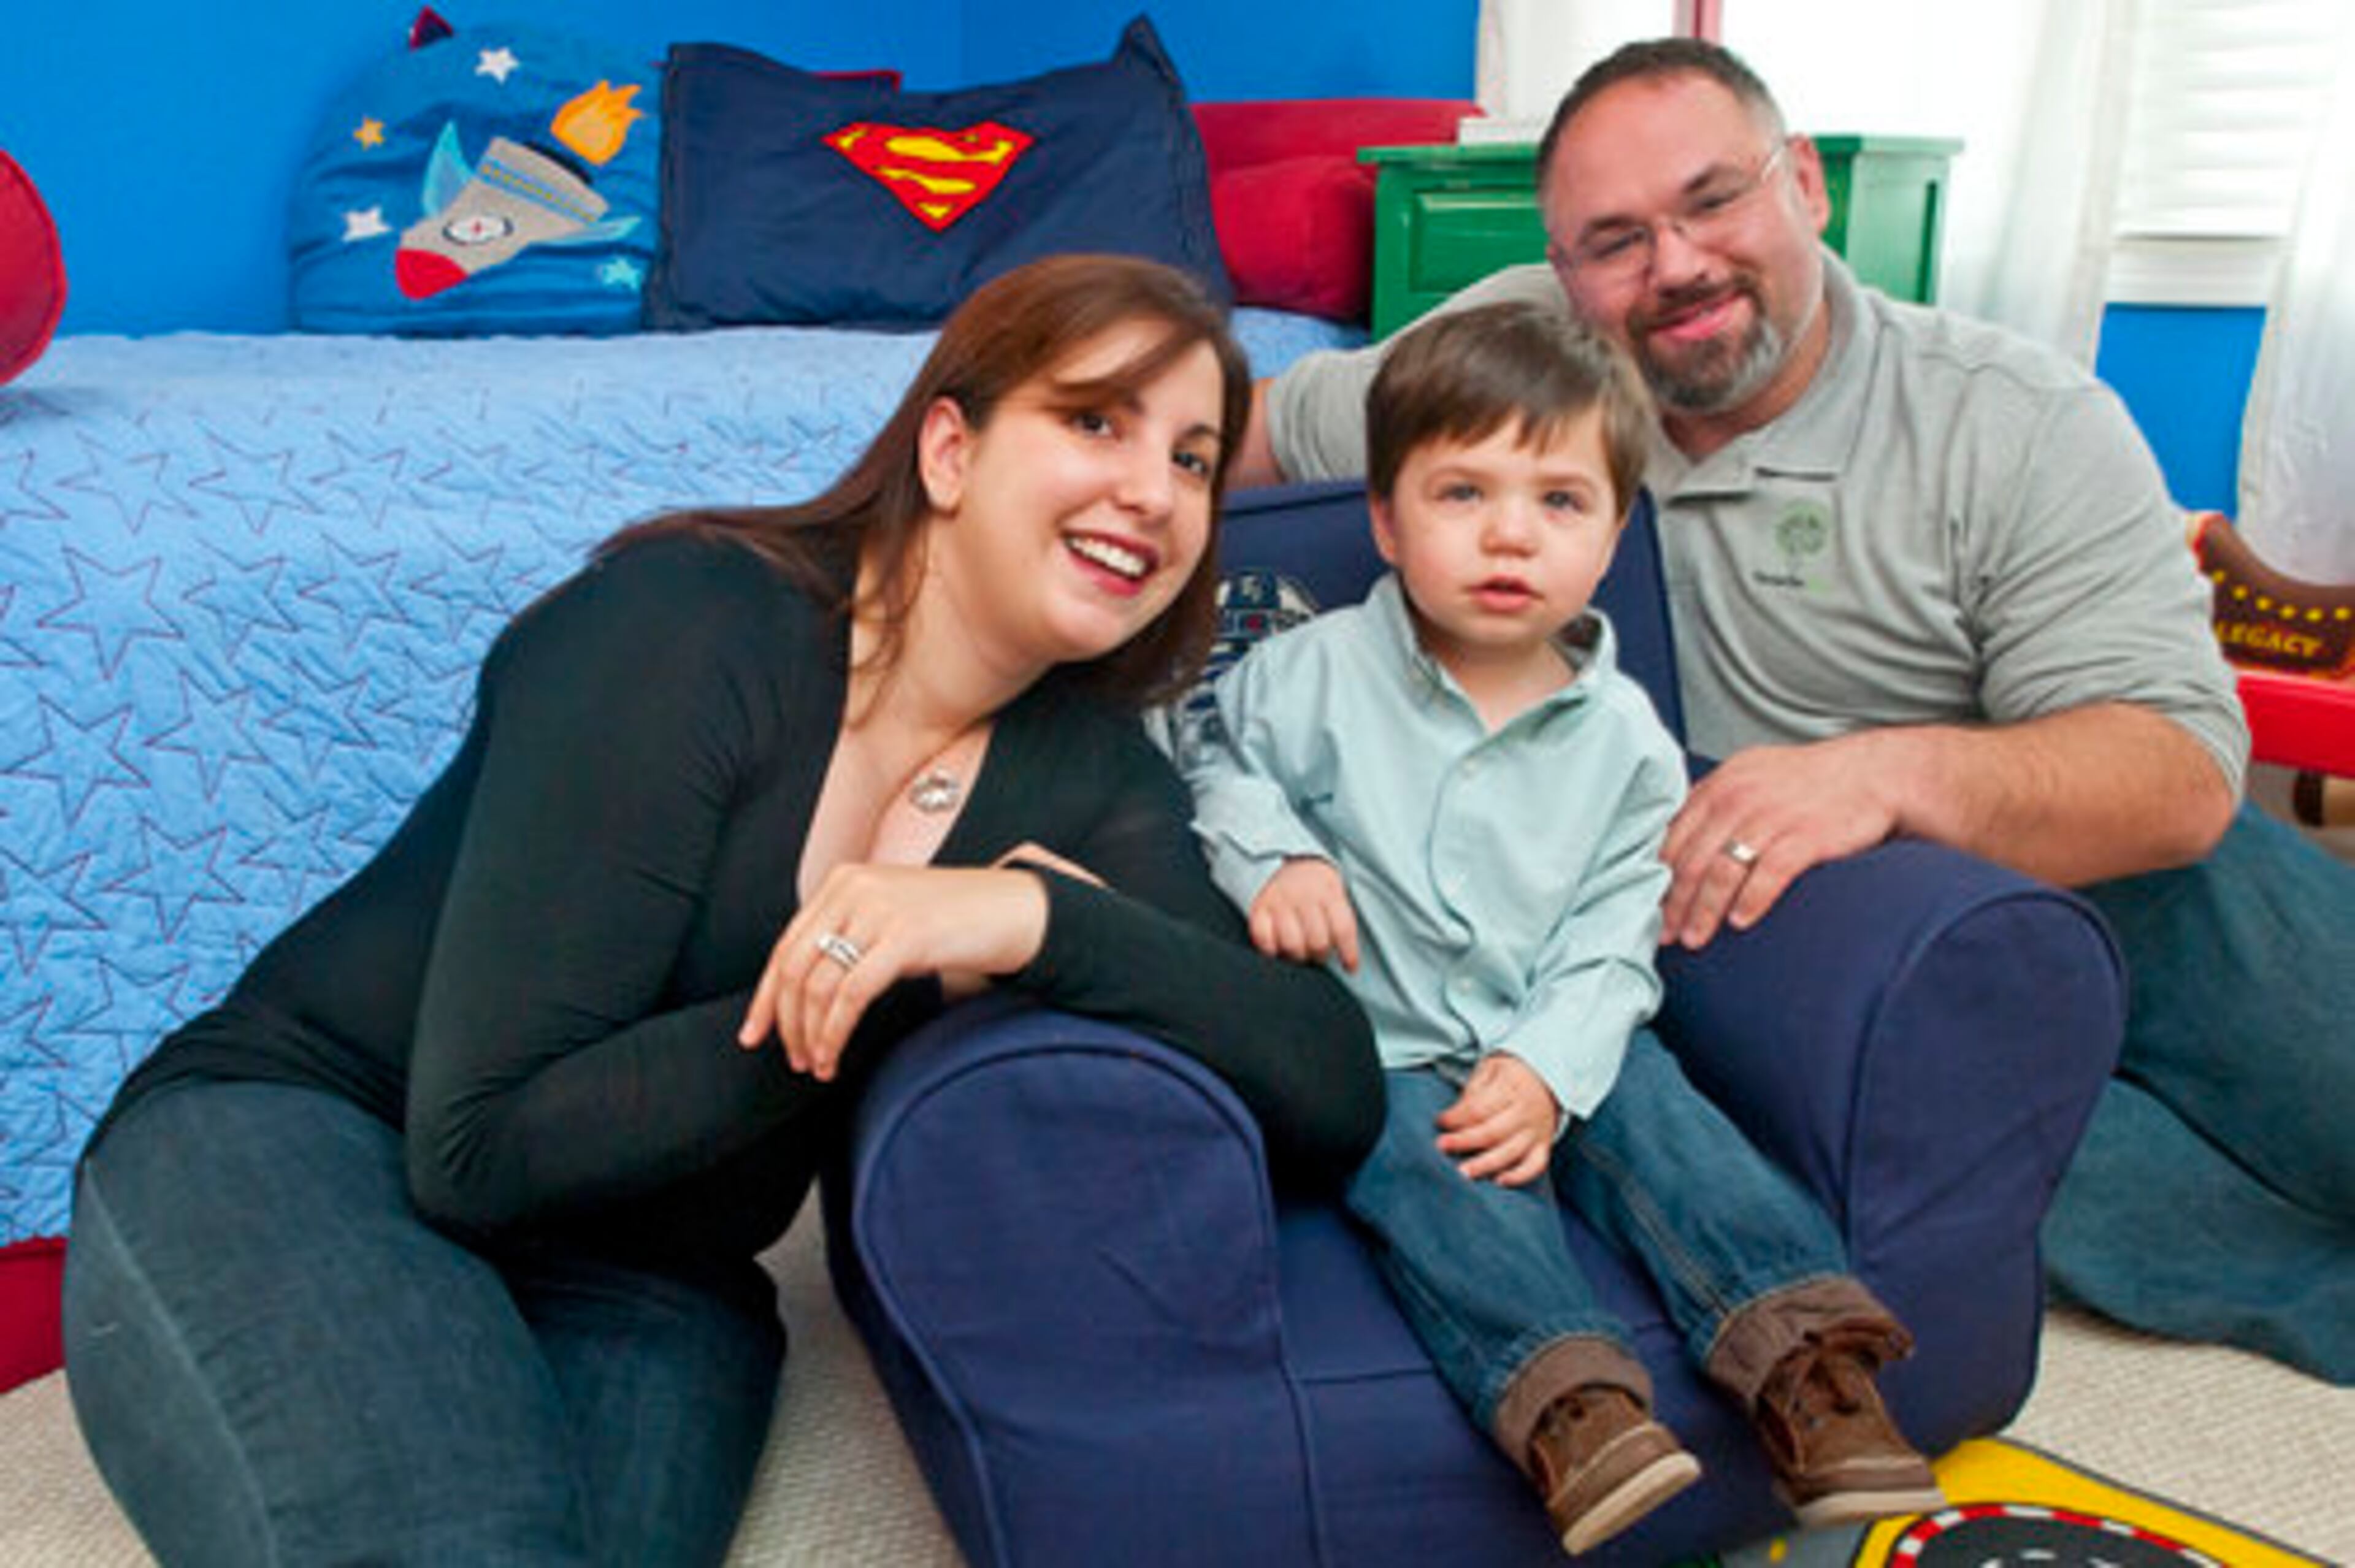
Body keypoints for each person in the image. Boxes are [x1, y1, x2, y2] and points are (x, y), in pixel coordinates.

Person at [61, 253, 1384, 1567]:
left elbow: (1331, 1081)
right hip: (317, 1137)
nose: (1150, 491)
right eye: (1094, 420)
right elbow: (478, 1151)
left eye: (1198, 460)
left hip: (658, 1268)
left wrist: (1029, 921)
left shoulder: (1086, 776)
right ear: (948, 450)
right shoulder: (687, 625)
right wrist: (901, 972)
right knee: (464, 1539)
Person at [1235, 36, 2355, 1387]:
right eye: (1615, 240)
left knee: (2250, 944)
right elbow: (1232, 430)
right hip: (1799, 944)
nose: (1680, 265)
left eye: (1716, 200)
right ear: (1563, 268)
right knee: (1976, 1168)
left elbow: (2177, 777)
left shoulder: (2013, 419)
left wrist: (1879, 776)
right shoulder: (1515, 366)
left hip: (2069, 843)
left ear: (1807, 185)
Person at [1185, 300, 1945, 1555]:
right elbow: (1215, 771)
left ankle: (1809, 1361)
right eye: (1463, 493)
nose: (1508, 535)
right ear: (1385, 519)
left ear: (1611, 535)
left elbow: (1613, 935)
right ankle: (1571, 1405)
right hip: (1380, 1044)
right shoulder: (1303, 674)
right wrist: (1277, 854)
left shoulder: (1629, 742)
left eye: (1558, 502)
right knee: (1445, 1181)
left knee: (1677, 1134)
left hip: (1562, 1028)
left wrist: (1550, 1064)